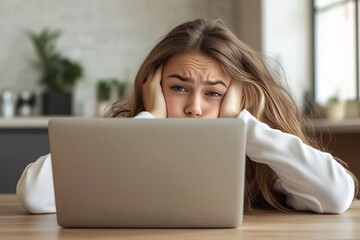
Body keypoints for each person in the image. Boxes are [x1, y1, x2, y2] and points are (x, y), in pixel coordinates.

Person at [17, 18, 359, 214]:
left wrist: (243, 127)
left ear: (239, 98)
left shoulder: (259, 147)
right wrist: (146, 125)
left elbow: (336, 195)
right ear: (153, 87)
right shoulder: (129, 135)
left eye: (214, 93)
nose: (195, 107)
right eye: (178, 88)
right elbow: (35, 195)